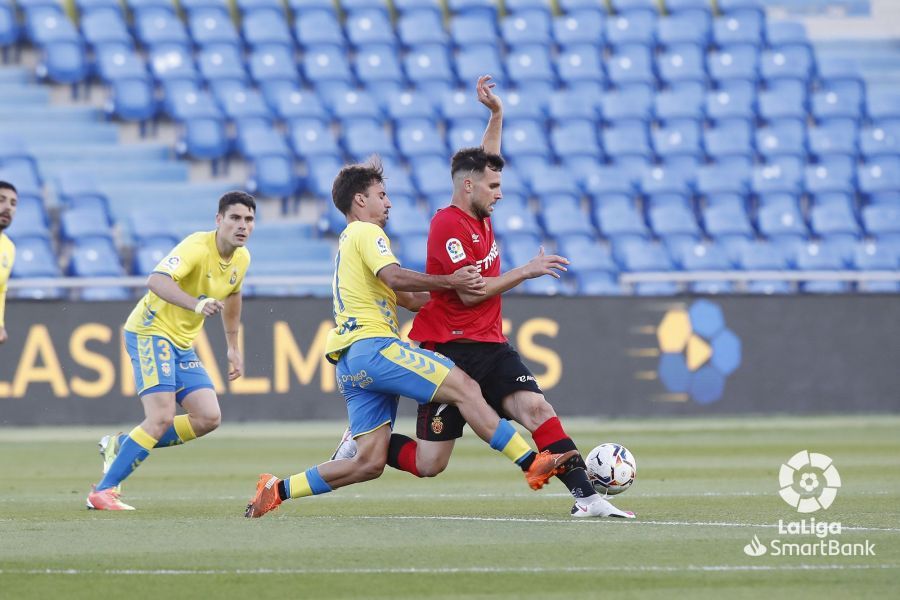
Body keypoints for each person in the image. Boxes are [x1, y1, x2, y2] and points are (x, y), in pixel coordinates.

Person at [333, 77, 634, 519]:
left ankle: (586, 498)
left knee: (537, 409)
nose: (500, 193)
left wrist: (496, 116)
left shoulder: (479, 207)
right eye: (493, 187)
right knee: (429, 463)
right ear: (470, 188)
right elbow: (472, 295)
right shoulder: (449, 226)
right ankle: (357, 443)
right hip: (448, 349)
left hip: (491, 346)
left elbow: (483, 165)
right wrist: (525, 271)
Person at [244, 158, 576, 518]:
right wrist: (452, 280)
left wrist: (455, 289)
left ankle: (277, 489)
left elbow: (414, 300)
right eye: (381, 195)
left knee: (369, 462)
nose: (388, 203)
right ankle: (531, 463)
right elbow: (395, 278)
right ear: (359, 200)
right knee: (465, 387)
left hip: (350, 363)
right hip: (375, 349)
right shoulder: (366, 233)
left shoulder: (349, 246)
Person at [86, 191, 256, 511]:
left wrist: (233, 347)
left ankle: (122, 445)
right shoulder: (196, 246)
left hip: (180, 342)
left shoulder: (242, 259)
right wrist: (197, 303)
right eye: (234, 218)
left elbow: (233, 296)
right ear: (219, 220)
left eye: (248, 219)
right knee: (161, 417)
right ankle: (103, 491)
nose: (242, 225)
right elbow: (156, 280)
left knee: (208, 417)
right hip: (150, 331)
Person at [0, 181, 17, 346]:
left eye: (13, 203)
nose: (8, 207)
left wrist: (0, 324)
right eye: (1, 200)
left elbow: (1, 289)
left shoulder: (9, 248)